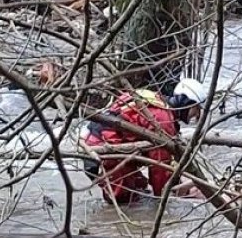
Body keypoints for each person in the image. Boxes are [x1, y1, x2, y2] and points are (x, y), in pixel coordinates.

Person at [80, 78, 208, 204]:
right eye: (195, 109)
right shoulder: (163, 120)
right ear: (186, 102)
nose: (195, 116)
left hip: (97, 140)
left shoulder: (156, 102)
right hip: (106, 147)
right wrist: (162, 199)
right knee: (124, 200)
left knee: (141, 189)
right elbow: (159, 166)